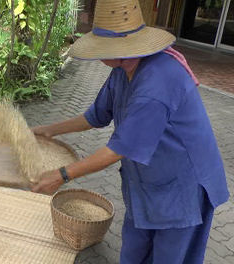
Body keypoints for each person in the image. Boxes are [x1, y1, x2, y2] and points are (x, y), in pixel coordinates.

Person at [31, 0, 230, 263]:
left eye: (101, 48)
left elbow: (118, 149)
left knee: (169, 256)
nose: (97, 54)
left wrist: (62, 175)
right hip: (147, 184)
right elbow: (96, 116)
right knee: (134, 251)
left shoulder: (157, 81)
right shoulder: (122, 69)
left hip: (182, 188)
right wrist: (49, 130)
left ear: (121, 48)